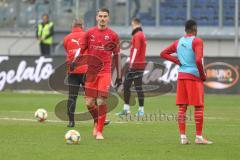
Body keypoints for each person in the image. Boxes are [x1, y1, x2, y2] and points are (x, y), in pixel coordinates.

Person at [160, 20, 213, 145]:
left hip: (182, 76)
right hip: (194, 76)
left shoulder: (179, 42)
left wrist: (178, 62)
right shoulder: (197, 41)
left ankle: (183, 137)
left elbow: (163, 53)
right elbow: (199, 60)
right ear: (195, 28)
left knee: (182, 107)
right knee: (199, 107)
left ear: (185, 29)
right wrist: (202, 75)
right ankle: (198, 137)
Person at [84, 8, 122, 140]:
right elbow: (81, 50)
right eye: (100, 16)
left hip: (105, 72)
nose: (102, 18)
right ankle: (97, 120)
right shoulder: (89, 33)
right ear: (96, 18)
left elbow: (117, 56)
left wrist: (119, 75)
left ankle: (99, 131)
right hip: (91, 72)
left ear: (108, 18)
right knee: (89, 103)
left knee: (100, 101)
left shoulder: (113, 35)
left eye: (105, 16)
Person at [117, 18, 146, 116]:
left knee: (130, 86)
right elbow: (136, 50)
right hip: (139, 64)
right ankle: (128, 109)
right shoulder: (141, 34)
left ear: (134, 24)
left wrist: (132, 63)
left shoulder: (137, 35)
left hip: (136, 66)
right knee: (130, 86)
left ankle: (137, 110)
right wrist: (130, 59)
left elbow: (136, 50)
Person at [63, 18, 87, 127]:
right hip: (86, 70)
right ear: (82, 26)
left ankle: (71, 121)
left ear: (73, 26)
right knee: (91, 96)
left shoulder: (67, 38)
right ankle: (98, 120)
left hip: (72, 71)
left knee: (72, 97)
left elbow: (67, 50)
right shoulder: (86, 36)